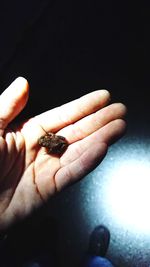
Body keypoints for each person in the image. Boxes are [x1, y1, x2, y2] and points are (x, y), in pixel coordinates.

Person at [0, 77, 126, 266]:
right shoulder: (46, 142)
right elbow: (51, 142)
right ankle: (92, 259)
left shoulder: (48, 141)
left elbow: (54, 142)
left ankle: (46, 253)